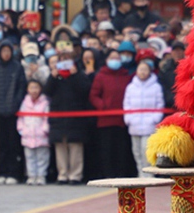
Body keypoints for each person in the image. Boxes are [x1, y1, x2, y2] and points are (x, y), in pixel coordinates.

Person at [44, 51, 92, 184]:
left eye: (67, 58)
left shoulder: (79, 74)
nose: (65, 61)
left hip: (76, 118)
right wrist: (52, 77)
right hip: (58, 118)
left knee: (75, 147)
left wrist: (75, 75)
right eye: (62, 59)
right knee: (60, 147)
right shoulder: (55, 76)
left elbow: (85, 90)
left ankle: (75, 175)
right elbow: (47, 91)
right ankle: (62, 174)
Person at [0, 40, 26, 184]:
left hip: (13, 112)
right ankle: (1, 172)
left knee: (13, 144)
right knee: (0, 144)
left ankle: (13, 173)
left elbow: (22, 87)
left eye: (9, 51)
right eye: (3, 51)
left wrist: (16, 104)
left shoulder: (17, 67)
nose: (6, 54)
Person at [89, 49, 134, 178]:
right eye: (112, 58)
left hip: (121, 120)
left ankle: (121, 174)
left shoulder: (126, 75)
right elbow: (93, 95)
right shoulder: (100, 76)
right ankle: (107, 174)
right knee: (106, 150)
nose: (115, 61)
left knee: (121, 149)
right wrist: (102, 105)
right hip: (105, 120)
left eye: (117, 58)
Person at [123, 61, 165, 178]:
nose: (142, 72)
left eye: (145, 69)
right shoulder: (130, 87)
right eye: (140, 69)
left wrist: (155, 119)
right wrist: (128, 119)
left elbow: (159, 104)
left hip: (149, 125)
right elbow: (127, 104)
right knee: (136, 151)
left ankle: (149, 174)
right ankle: (140, 173)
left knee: (145, 150)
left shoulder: (156, 87)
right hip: (134, 124)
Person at [17, 80, 50, 186]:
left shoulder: (45, 102)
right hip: (28, 134)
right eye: (31, 88)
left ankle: (41, 176)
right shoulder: (24, 102)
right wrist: (22, 130)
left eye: (36, 87)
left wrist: (45, 130)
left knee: (42, 157)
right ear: (27, 89)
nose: (34, 90)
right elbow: (21, 118)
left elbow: (47, 117)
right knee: (29, 157)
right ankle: (31, 176)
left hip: (41, 134)